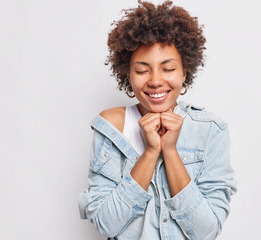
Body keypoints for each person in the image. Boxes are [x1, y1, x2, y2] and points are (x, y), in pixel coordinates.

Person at [78, 1, 237, 239]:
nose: (155, 80)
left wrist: (170, 151)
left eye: (168, 68)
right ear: (128, 76)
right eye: (142, 70)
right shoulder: (111, 128)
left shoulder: (210, 131)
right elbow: (107, 224)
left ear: (184, 72)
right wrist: (151, 152)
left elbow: (206, 232)